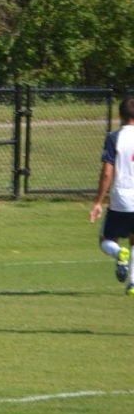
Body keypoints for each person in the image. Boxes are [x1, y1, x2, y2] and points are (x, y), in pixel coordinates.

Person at [88, 95, 134, 296]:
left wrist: (98, 201)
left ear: (120, 115)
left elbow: (107, 172)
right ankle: (132, 283)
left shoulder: (114, 138)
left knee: (106, 240)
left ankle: (118, 253)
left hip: (121, 199)